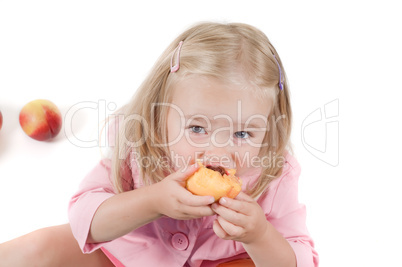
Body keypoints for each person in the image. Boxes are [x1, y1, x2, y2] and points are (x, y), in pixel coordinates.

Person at [0, 22, 318, 267]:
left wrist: (259, 235)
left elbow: (300, 258)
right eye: (196, 127)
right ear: (159, 115)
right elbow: (86, 218)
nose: (218, 152)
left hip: (223, 261)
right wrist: (151, 201)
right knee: (37, 248)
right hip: (128, 253)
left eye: (242, 134)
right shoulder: (140, 142)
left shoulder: (274, 171)